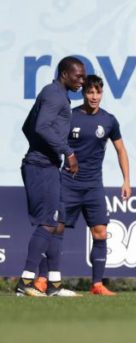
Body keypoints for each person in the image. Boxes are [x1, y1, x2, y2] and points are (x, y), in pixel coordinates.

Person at [33, 75, 131, 296]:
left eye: (98, 92)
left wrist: (126, 180)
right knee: (54, 229)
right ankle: (41, 280)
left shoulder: (109, 121)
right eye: (90, 92)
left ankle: (97, 284)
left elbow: (121, 150)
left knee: (100, 232)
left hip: (93, 187)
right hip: (67, 183)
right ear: (83, 93)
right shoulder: (70, 116)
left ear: (102, 93)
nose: (94, 97)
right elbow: (52, 140)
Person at [16, 56, 85, 297]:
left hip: (48, 165)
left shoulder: (57, 94)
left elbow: (28, 127)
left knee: (57, 224)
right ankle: (25, 283)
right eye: (78, 76)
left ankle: (54, 285)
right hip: (40, 167)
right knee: (47, 222)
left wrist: (48, 151)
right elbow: (40, 127)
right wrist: (68, 152)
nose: (82, 81)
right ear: (65, 74)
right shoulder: (54, 94)